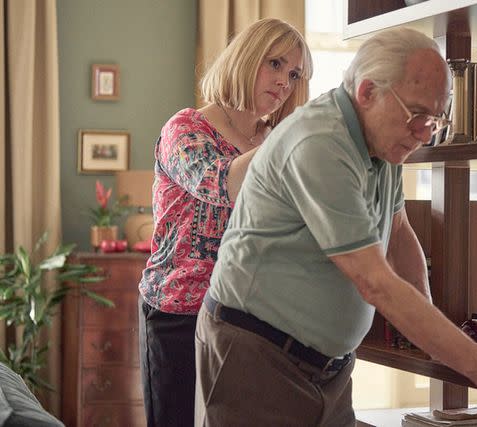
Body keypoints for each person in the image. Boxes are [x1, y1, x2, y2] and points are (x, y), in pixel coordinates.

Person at [194, 27, 477, 426]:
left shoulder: (383, 142)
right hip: (258, 355)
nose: (424, 134)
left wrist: (434, 337)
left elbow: (398, 234)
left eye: (435, 119)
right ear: (367, 93)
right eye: (417, 115)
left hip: (326, 366)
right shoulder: (319, 142)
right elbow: (375, 281)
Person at [137, 18, 312, 427]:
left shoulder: (278, 138)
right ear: (246, 58)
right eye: (274, 64)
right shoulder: (184, 129)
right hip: (178, 314)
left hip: (253, 322)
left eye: (294, 73)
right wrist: (288, 140)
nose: (284, 82)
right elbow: (221, 182)